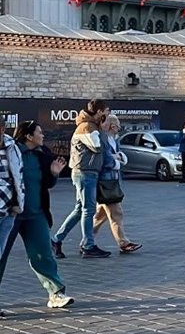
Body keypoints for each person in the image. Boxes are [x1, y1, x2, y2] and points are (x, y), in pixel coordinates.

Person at [1, 120, 74, 314]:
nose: (43, 136)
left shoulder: (42, 155)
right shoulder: (12, 151)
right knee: (1, 256)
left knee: (43, 253)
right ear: (29, 136)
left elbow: (47, 184)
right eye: (39, 132)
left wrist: (54, 174)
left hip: (36, 213)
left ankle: (56, 293)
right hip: (10, 213)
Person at [51, 99, 111, 258]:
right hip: (85, 173)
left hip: (87, 172)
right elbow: (97, 147)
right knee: (88, 210)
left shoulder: (91, 126)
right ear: (99, 112)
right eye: (106, 111)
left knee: (80, 209)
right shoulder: (86, 127)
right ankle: (88, 245)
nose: (108, 115)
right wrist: (103, 129)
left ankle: (56, 240)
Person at [92, 114, 141, 253]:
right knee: (117, 213)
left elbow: (118, 155)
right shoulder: (104, 140)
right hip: (106, 181)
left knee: (100, 215)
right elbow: (105, 161)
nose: (119, 127)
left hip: (113, 180)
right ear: (112, 126)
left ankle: (87, 239)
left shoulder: (114, 140)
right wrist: (116, 161)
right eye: (118, 124)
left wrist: (118, 158)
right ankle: (123, 243)